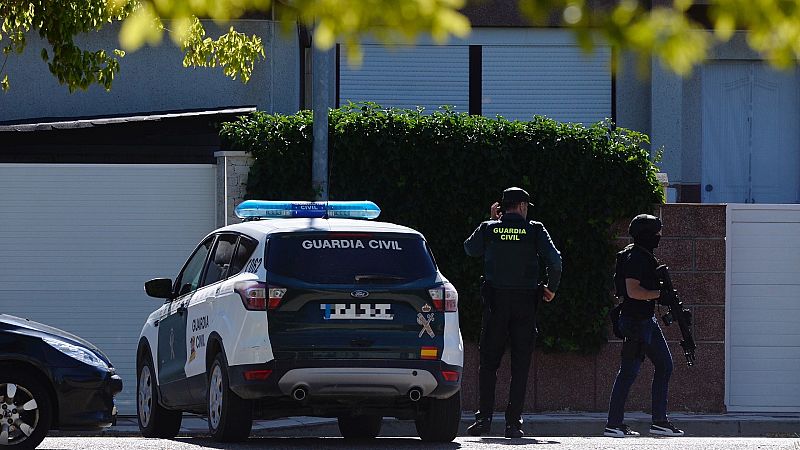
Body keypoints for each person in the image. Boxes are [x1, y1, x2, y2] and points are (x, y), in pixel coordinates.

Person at [463, 187, 562, 438]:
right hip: (525, 304)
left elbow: (470, 249)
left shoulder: (489, 228)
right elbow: (555, 260)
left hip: (496, 303)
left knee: (488, 364)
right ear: (521, 206)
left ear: (503, 206)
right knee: (520, 365)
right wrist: (551, 288)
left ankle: (484, 420)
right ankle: (513, 424)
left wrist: (492, 221)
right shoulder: (535, 229)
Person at [604, 214, 684, 438]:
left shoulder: (642, 254)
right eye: (656, 232)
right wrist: (660, 295)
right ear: (646, 234)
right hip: (635, 321)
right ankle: (613, 424)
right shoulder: (636, 258)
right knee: (628, 372)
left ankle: (659, 421)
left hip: (646, 320)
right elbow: (633, 291)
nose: (659, 236)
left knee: (665, 365)